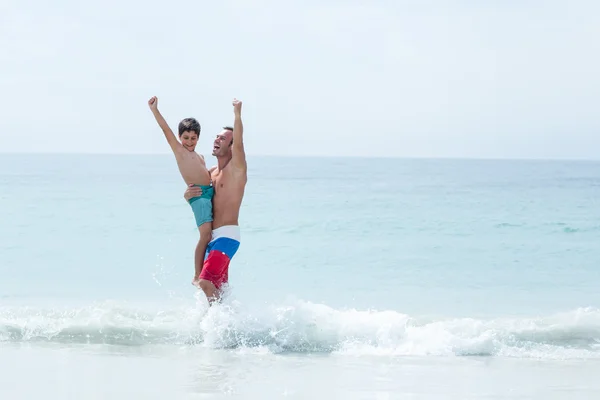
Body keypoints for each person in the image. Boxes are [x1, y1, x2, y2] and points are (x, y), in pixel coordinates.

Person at [184, 98, 247, 303]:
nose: (216, 140)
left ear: (231, 146)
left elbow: (239, 143)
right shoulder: (211, 173)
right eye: (216, 137)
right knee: (218, 289)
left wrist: (237, 114)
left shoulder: (236, 170)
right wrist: (188, 196)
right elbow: (203, 201)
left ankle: (217, 326)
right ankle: (227, 325)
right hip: (213, 238)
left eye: (223, 139)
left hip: (227, 237)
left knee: (205, 282)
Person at [147, 96, 213, 287]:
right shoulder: (179, 151)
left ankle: (208, 269)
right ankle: (196, 275)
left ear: (198, 138)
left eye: (193, 138)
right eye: (185, 138)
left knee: (211, 235)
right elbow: (165, 130)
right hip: (198, 196)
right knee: (205, 235)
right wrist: (154, 110)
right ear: (179, 137)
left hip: (208, 194)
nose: (189, 142)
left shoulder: (199, 156)